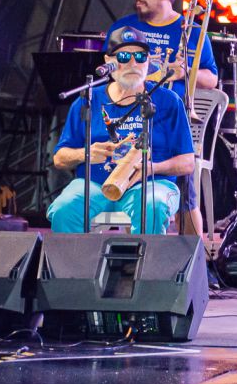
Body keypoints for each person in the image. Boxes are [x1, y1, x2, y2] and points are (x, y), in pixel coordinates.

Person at [104, 0, 218, 235]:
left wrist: (184, 71)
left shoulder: (191, 30)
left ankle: (195, 255)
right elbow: (111, 72)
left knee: (187, 197)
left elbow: (212, 78)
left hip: (171, 120)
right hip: (129, 118)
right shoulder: (123, 27)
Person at [48, 26, 195, 234]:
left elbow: (188, 162)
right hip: (95, 186)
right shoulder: (88, 100)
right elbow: (59, 158)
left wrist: (152, 168)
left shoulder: (169, 101)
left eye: (140, 56)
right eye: (124, 56)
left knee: (151, 206)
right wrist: (86, 153)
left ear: (148, 60)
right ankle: (72, 257)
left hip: (149, 184)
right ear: (108, 61)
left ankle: (144, 257)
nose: (133, 63)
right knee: (64, 209)